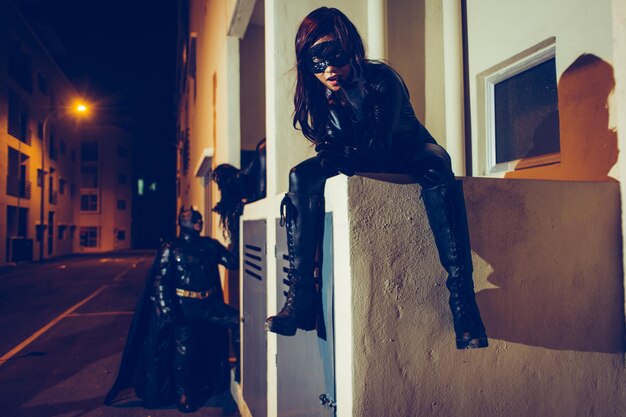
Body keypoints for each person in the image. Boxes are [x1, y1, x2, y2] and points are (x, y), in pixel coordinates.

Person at [264, 7, 488, 350]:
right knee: (301, 176)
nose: (329, 70)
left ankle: (463, 301)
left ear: (349, 47)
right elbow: (331, 147)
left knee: (437, 164)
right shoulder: (321, 94)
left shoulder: (382, 79)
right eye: (316, 63)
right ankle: (300, 298)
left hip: (408, 151)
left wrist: (339, 152)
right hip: (359, 155)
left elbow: (380, 150)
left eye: (335, 57)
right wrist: (333, 153)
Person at [105, 207, 241, 413]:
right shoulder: (171, 248)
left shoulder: (209, 245)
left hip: (210, 306)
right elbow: (160, 283)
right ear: (182, 222)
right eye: (194, 218)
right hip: (185, 309)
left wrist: (238, 229)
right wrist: (170, 313)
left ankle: (240, 368)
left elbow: (232, 262)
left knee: (239, 322)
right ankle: (182, 394)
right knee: (184, 352)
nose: (199, 221)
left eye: (199, 219)